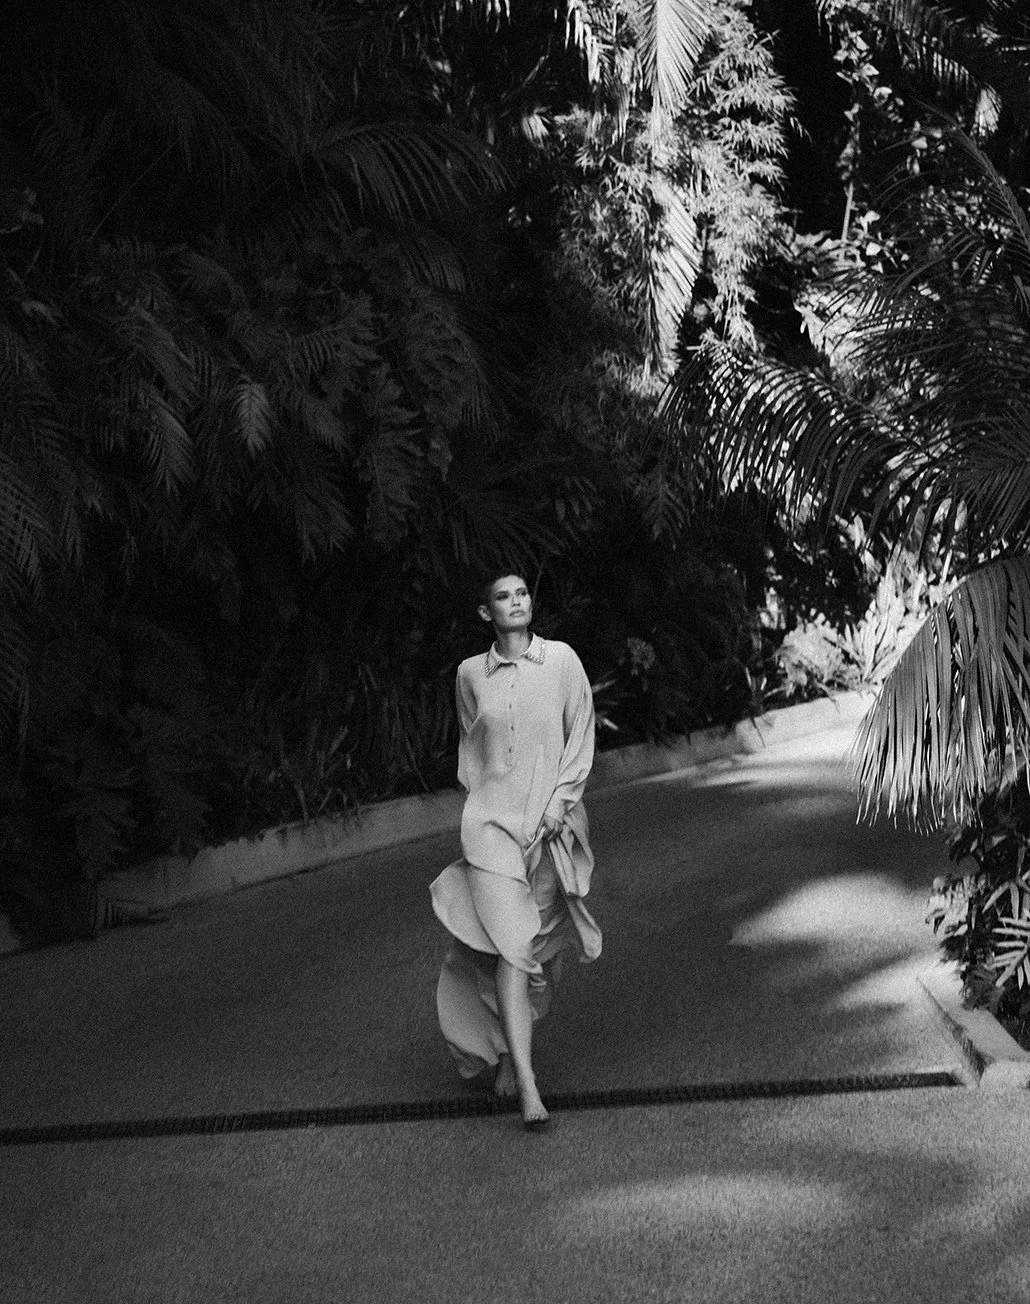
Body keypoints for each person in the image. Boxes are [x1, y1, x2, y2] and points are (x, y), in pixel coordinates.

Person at [429, 571, 602, 1131]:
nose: (517, 602)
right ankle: (528, 1083)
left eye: (523, 593)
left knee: (538, 954)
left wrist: (558, 805)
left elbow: (582, 736)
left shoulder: (562, 663)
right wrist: (485, 803)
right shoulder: (469, 674)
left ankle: (508, 1046)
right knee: (512, 944)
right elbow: (470, 746)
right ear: (486, 614)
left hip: (552, 827)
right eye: (504, 597)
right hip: (491, 828)